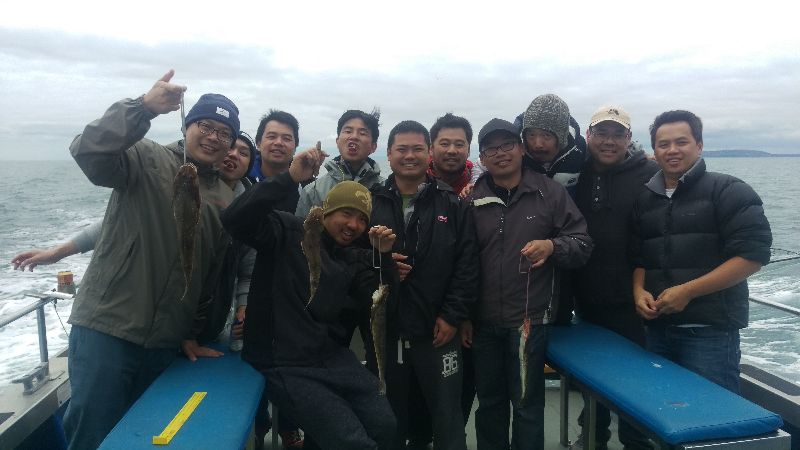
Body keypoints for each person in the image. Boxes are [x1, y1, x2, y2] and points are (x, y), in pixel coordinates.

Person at [63, 70, 239, 449]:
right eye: (206, 126)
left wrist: (190, 332)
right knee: (92, 433)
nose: (213, 137)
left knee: (144, 439)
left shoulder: (226, 199)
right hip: (107, 328)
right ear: (188, 125)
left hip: (166, 342)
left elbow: (209, 276)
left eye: (224, 133)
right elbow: (87, 150)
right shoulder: (144, 156)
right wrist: (141, 108)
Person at [222, 148, 398, 449]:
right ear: (326, 211)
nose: (353, 225)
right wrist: (289, 178)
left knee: (386, 425)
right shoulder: (286, 230)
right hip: (283, 361)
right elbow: (235, 218)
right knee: (352, 442)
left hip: (331, 357)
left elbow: (378, 300)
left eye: (361, 219)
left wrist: (385, 259)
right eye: (346, 213)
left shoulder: (352, 258)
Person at [466, 118, 592, 450]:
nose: (500, 153)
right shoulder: (471, 198)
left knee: (527, 406)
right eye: (491, 148)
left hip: (530, 322)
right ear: (482, 158)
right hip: (483, 323)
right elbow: (462, 263)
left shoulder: (551, 193)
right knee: (489, 403)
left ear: (521, 149)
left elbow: (582, 244)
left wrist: (552, 246)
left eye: (507, 145)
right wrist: (463, 315)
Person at [632, 110, 772, 394]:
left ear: (699, 145)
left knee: (711, 414)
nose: (672, 150)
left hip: (709, 334)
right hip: (656, 330)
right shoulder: (645, 198)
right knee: (661, 408)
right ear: (654, 151)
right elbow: (639, 255)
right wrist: (638, 291)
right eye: (663, 144)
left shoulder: (729, 190)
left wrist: (688, 291)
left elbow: (752, 256)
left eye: (681, 142)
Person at [369, 120, 479, 450]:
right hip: (387, 329)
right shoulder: (371, 201)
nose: (409, 156)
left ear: (428, 153)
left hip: (439, 328)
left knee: (447, 418)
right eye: (401, 149)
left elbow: (467, 265)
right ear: (389, 154)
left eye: (417, 149)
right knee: (388, 418)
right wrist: (381, 263)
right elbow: (351, 260)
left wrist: (452, 316)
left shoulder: (452, 203)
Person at [571, 106, 658, 450]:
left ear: (629, 138)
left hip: (633, 298)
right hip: (586, 297)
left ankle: (635, 441)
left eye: (617, 134)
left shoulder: (650, 172)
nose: (609, 141)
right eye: (601, 133)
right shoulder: (577, 171)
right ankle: (593, 435)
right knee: (592, 374)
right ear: (588, 136)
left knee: (634, 377)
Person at [520, 93, 586, 325]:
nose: (537, 143)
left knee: (562, 314)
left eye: (546, 136)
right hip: (525, 249)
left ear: (561, 136)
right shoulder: (517, 152)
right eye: (531, 134)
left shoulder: (580, 153)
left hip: (567, 247)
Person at [295, 109, 384, 217]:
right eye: (348, 131)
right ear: (337, 141)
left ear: (373, 146)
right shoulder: (313, 191)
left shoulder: (385, 190)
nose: (354, 137)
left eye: (362, 133)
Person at [428, 112, 483, 196]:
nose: (452, 151)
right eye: (444, 144)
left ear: (468, 150)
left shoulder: (478, 182)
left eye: (459, 144)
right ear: (431, 149)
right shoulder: (416, 180)